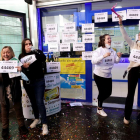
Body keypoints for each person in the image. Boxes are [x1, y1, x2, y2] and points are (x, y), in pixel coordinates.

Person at [19, 38, 48, 135]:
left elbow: (43, 58)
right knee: (33, 102)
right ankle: (37, 119)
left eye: (29, 43)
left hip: (39, 81)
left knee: (40, 102)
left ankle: (44, 124)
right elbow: (20, 70)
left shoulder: (37, 52)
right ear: (23, 46)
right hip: (28, 83)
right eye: (26, 44)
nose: (28, 45)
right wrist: (24, 67)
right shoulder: (21, 56)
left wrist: (35, 51)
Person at [0, 46, 28, 139]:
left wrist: (21, 70)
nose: (6, 54)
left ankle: (21, 126)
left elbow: (24, 76)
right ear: (1, 54)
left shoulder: (17, 62)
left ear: (11, 53)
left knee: (18, 108)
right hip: (4, 90)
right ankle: (5, 128)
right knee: (4, 109)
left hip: (15, 89)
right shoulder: (0, 64)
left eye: (8, 52)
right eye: (4, 53)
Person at [91, 34, 122, 117]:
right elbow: (93, 61)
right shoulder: (99, 50)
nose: (109, 40)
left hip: (108, 75)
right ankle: (99, 109)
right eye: (108, 38)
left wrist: (119, 57)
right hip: (99, 75)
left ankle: (99, 100)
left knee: (108, 93)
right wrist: (103, 56)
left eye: (110, 38)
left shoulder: (113, 51)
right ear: (103, 41)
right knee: (102, 92)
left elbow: (116, 61)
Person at [118, 16, 140, 124]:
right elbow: (125, 36)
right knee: (130, 93)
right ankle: (127, 116)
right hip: (133, 70)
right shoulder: (134, 45)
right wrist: (121, 24)